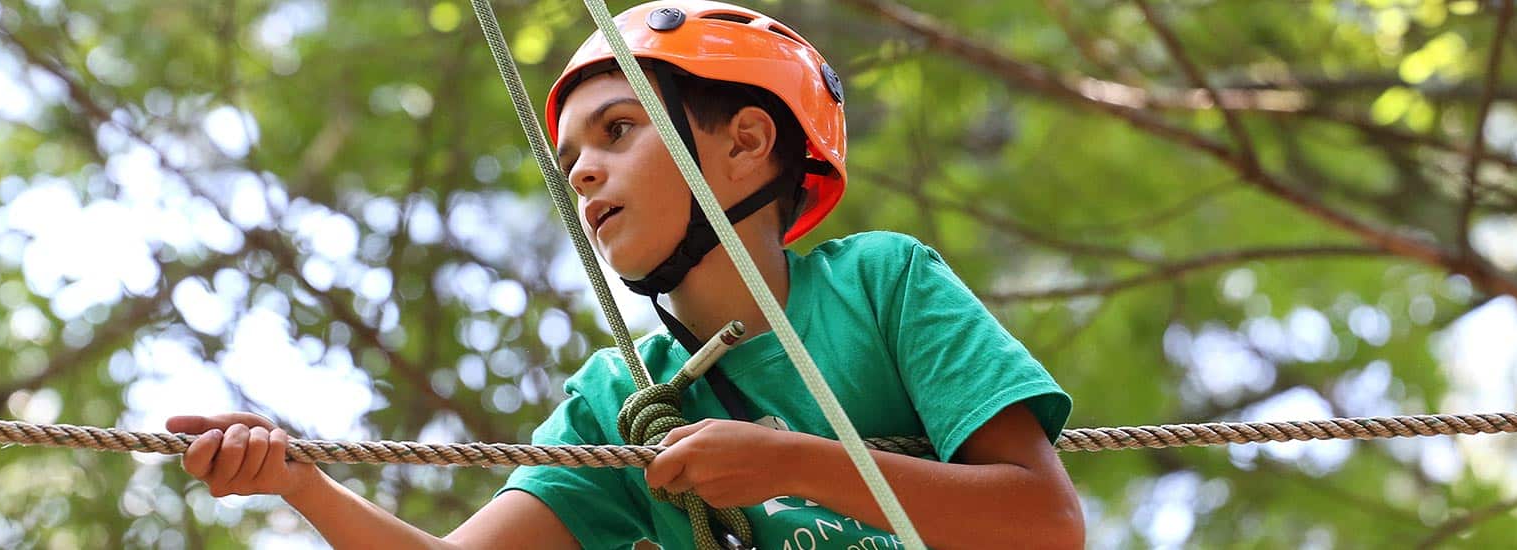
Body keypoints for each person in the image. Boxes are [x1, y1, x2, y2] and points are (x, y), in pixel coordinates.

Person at [167, 2, 1083, 548]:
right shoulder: (621, 398)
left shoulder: (881, 285)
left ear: (747, 145)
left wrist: (787, 466)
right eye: (570, 157)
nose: (582, 173)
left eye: (617, 130)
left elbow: (1047, 524)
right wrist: (299, 482)